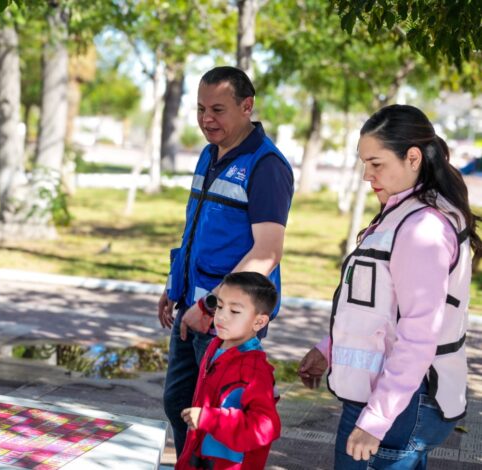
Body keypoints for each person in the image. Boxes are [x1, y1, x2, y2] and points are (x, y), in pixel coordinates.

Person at [298, 104, 480, 469]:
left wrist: (376, 422)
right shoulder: (406, 211)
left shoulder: (421, 227)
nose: (367, 175)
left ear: (413, 158)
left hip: (398, 405)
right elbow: (380, 307)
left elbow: (418, 335)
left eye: (376, 163)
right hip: (394, 399)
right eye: (364, 163)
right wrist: (329, 348)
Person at [159, 66, 293, 456]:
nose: (206, 119)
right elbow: (196, 229)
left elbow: (267, 251)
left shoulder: (266, 165)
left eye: (217, 109)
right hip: (192, 308)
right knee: (179, 406)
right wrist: (175, 285)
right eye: (200, 109)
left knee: (220, 424)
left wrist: (210, 305)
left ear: (247, 106)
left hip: (225, 319)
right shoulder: (209, 153)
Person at [176, 272, 281, 470]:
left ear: (259, 322)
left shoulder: (254, 369)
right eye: (220, 306)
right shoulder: (216, 345)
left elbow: (266, 426)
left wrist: (210, 419)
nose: (222, 316)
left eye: (235, 311)